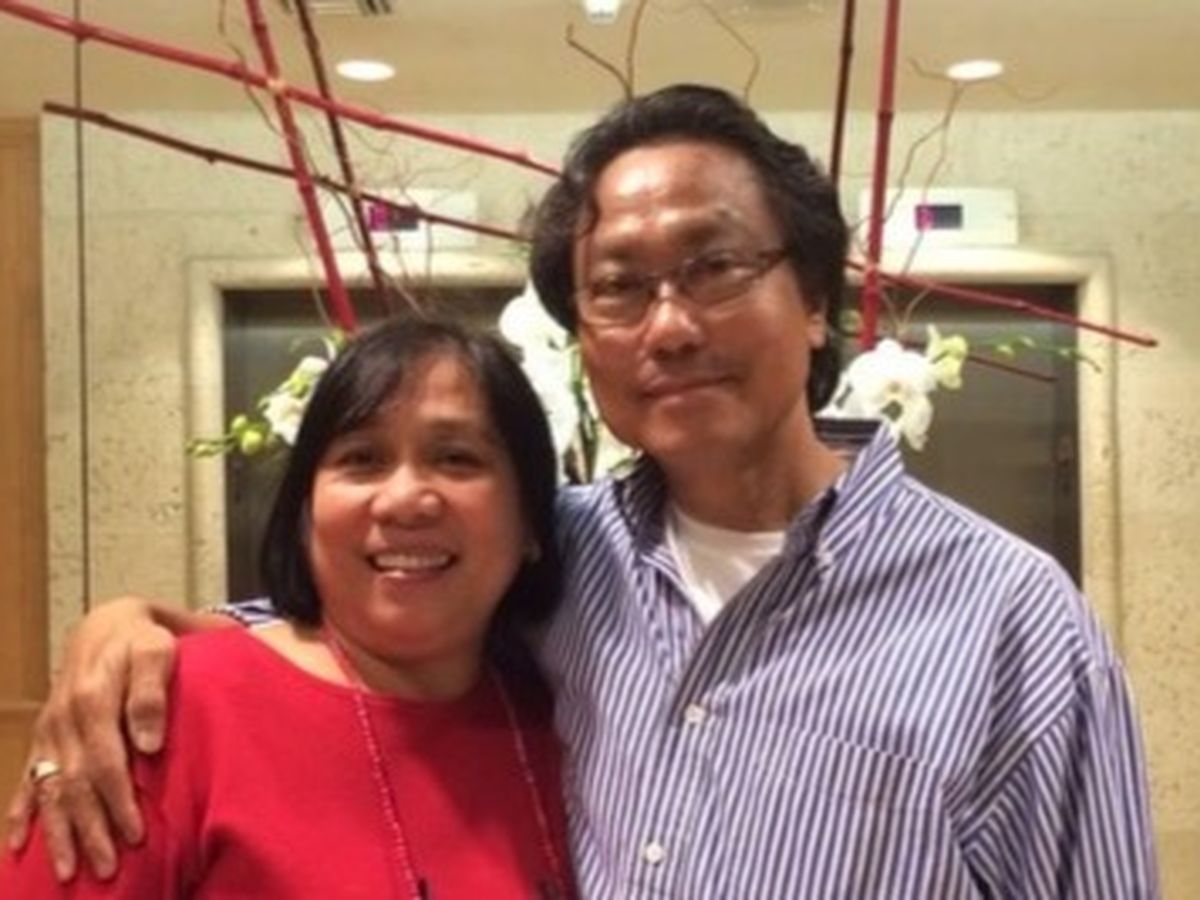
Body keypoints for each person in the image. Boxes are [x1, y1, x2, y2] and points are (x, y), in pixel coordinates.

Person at [8, 84, 1158, 897]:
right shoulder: (559, 552)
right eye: (619, 288)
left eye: (715, 267)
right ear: (583, 338)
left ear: (816, 299)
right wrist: (125, 632)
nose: (670, 325)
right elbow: (358, 620)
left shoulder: (1011, 622)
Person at [2, 317, 575, 898]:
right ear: (305, 512)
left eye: (456, 459)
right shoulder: (161, 711)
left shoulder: (565, 717)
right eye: (362, 459)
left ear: (531, 520)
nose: (404, 500)